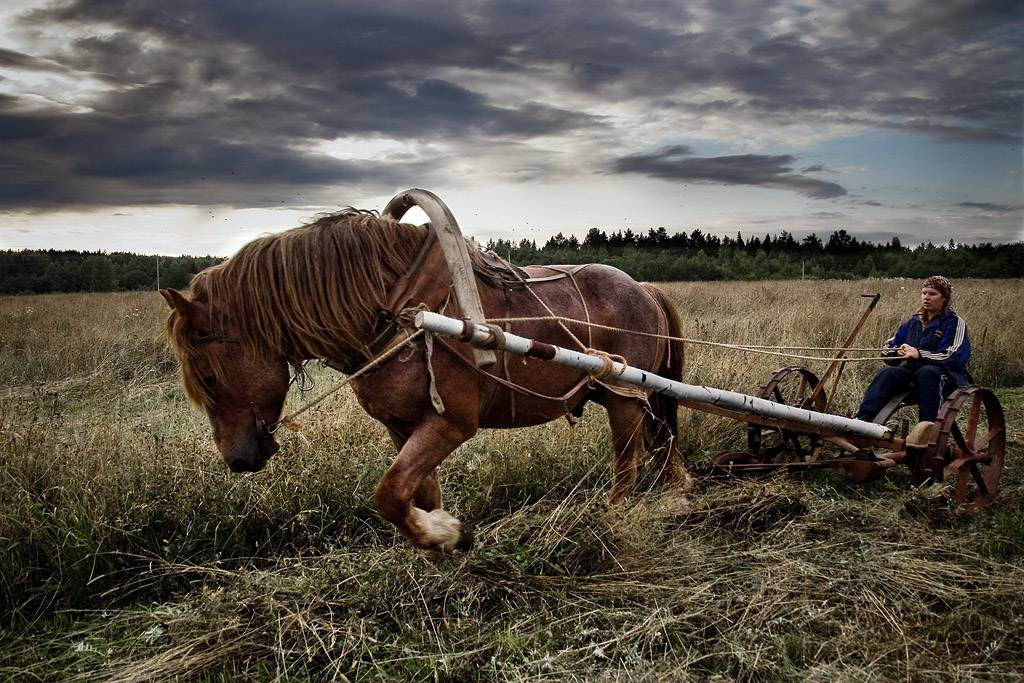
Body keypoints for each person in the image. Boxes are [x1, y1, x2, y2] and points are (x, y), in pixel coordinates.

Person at [855, 275, 972, 423]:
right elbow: (889, 346)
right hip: (913, 371)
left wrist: (919, 354)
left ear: (944, 299)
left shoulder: (955, 323)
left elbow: (954, 356)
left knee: (927, 372)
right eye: (924, 293)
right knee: (888, 373)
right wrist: (895, 352)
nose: (926, 297)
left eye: (932, 294)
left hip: (946, 375)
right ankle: (861, 421)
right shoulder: (913, 321)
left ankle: (928, 428)